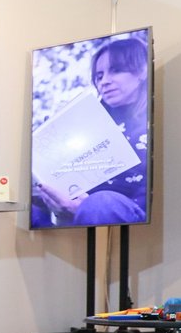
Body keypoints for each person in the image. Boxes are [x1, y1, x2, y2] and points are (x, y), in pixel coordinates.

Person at [34, 36, 150, 227]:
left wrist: (84, 207)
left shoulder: (153, 119)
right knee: (23, 212)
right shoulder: (85, 121)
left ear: (143, 71)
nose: (105, 81)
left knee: (99, 205)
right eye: (99, 75)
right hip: (74, 204)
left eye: (116, 70)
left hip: (123, 210)